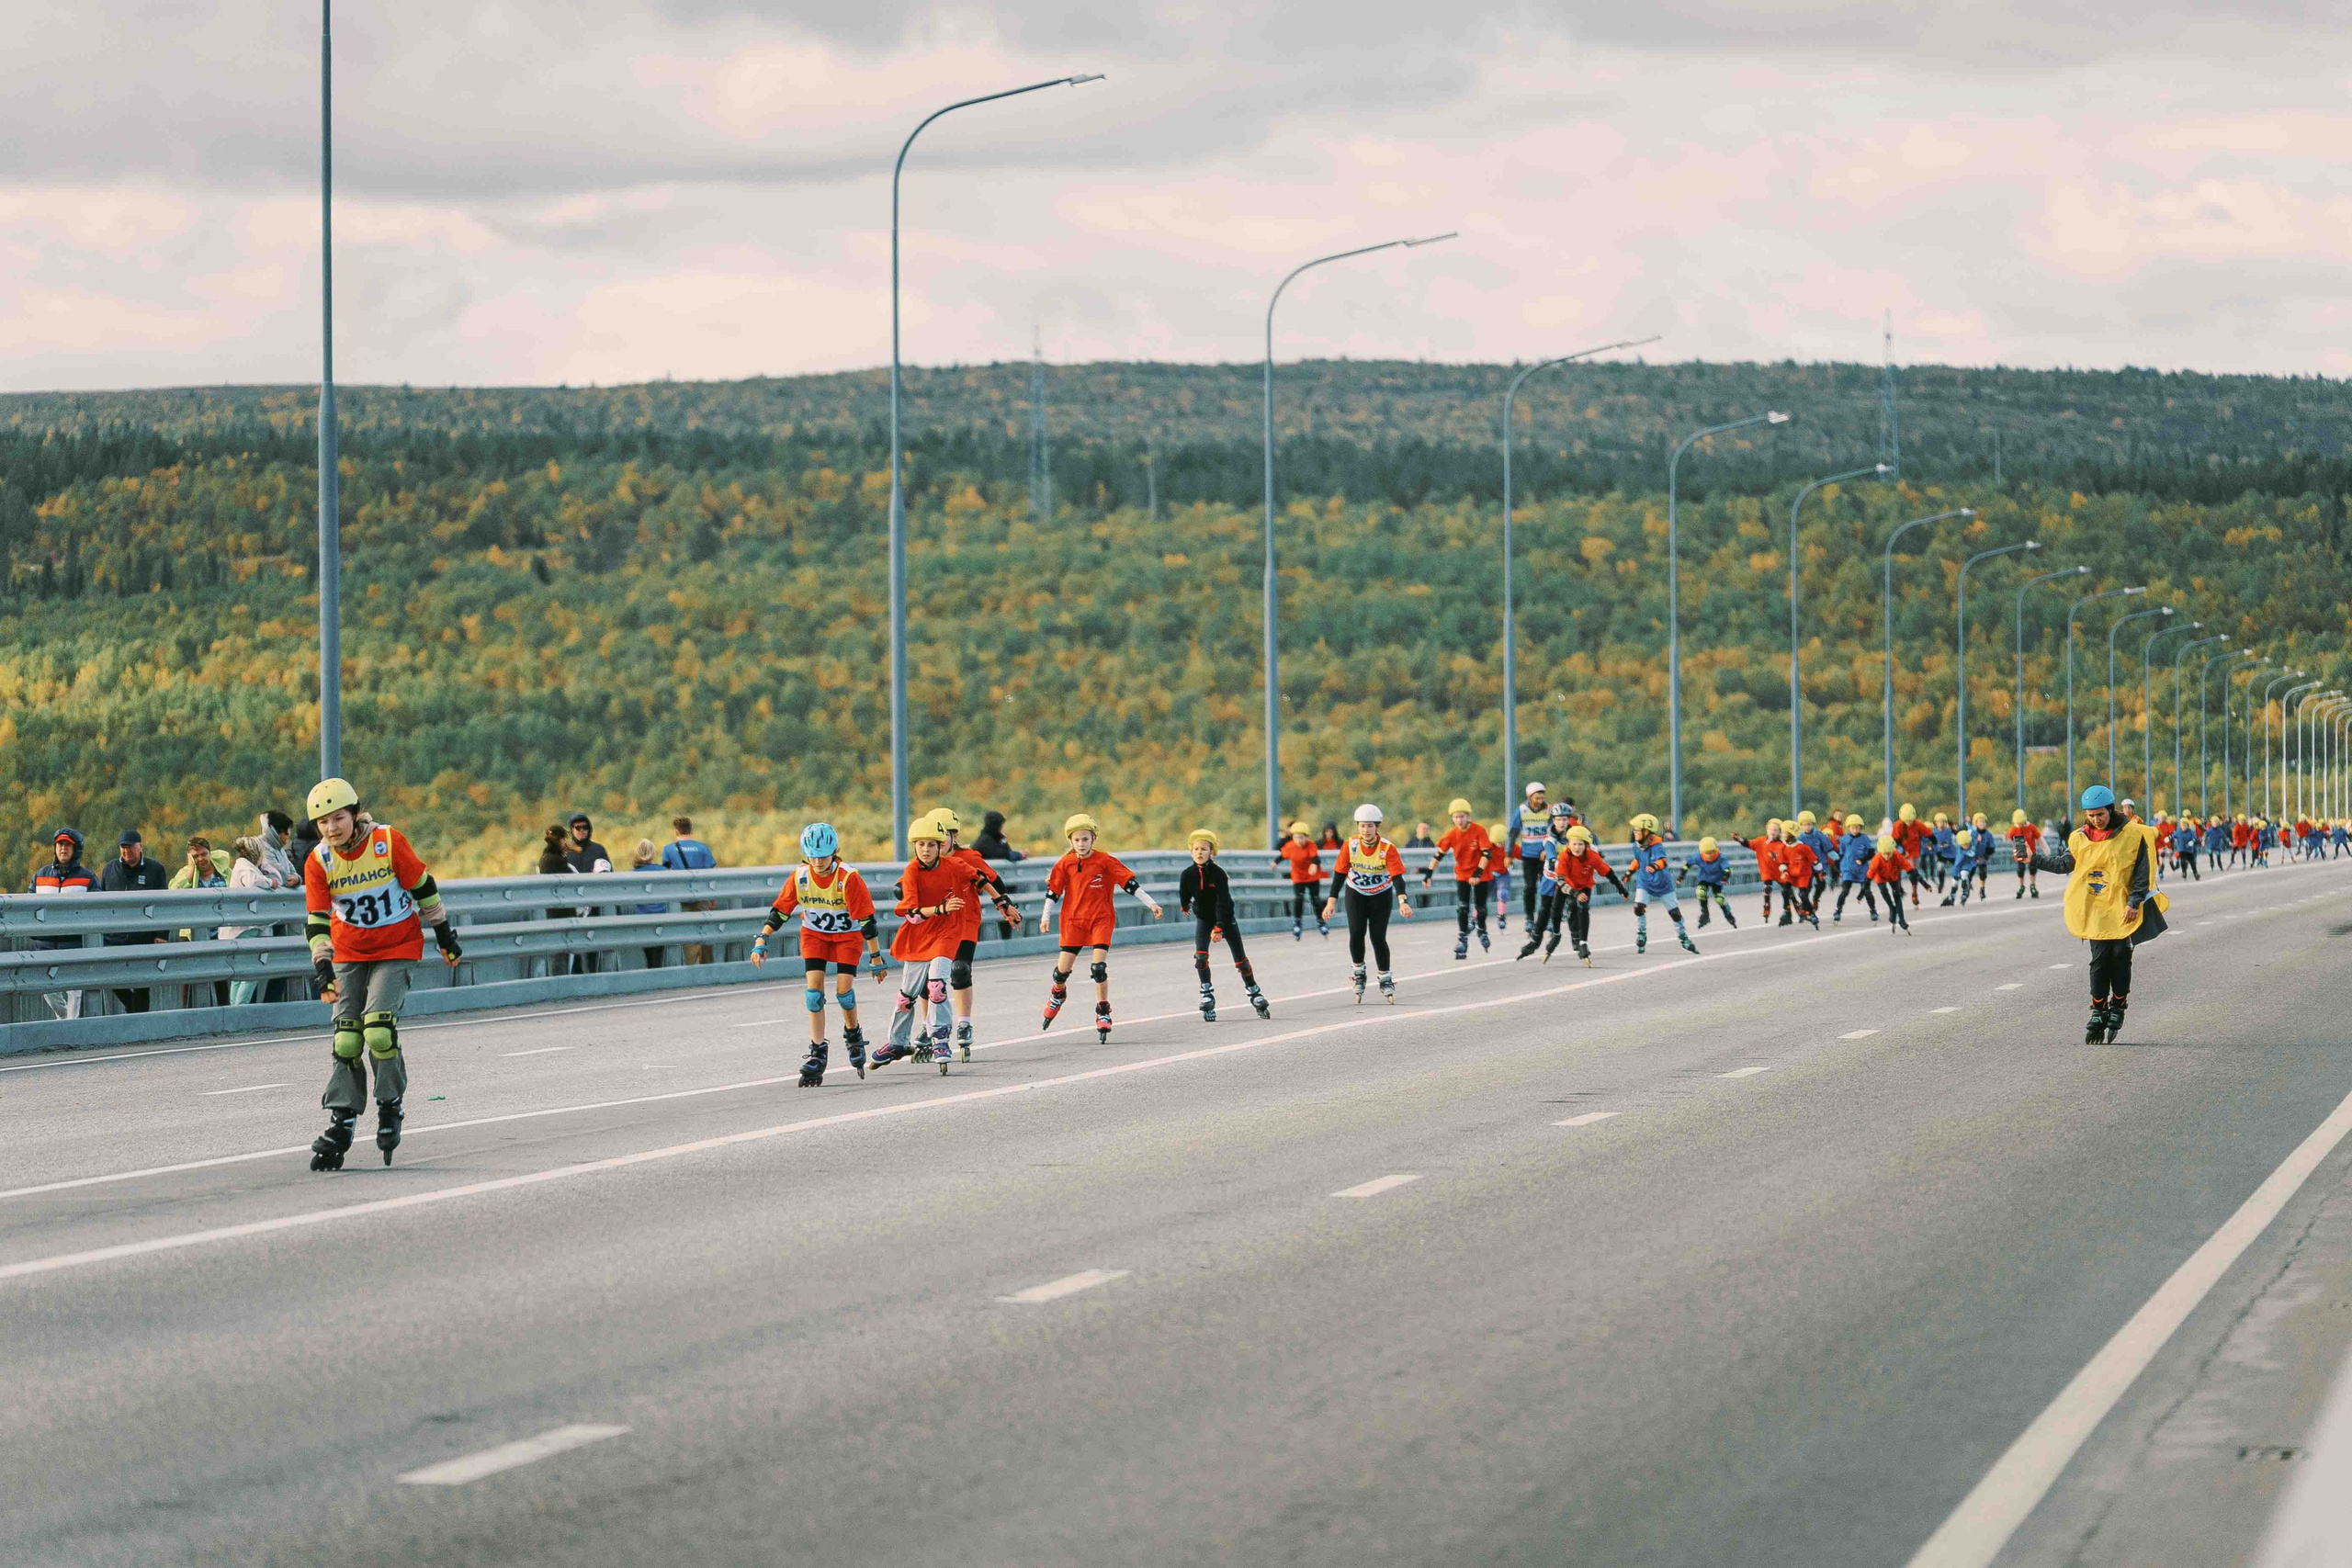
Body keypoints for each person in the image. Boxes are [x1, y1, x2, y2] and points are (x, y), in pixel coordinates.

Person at [301, 777, 463, 1170]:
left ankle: (389, 1105)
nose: (331, 829)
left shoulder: (387, 842)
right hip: (349, 951)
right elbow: (317, 919)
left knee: (377, 1030)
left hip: (397, 946)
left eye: (338, 818)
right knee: (345, 1039)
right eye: (322, 822)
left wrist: (444, 934)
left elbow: (424, 887)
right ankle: (343, 1119)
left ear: (354, 814)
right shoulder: (319, 860)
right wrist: (322, 965)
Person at [2022, 784, 2167, 1044]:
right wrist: (2034, 859)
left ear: (2110, 810)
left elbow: (2142, 874)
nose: (2095, 820)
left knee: (2121, 957)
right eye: (2090, 816)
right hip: (2096, 908)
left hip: (2124, 908)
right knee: (2099, 960)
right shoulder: (2079, 838)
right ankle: (2098, 1010)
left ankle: (2118, 1004)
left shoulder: (2134, 835)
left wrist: (2134, 903)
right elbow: (2064, 864)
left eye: (2100, 814)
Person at [753, 821, 887, 1087]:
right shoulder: (800, 876)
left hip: (846, 938)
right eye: (813, 855)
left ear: (835, 851)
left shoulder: (849, 878)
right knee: (814, 995)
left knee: (843, 993)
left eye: (824, 855)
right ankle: (817, 1050)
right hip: (815, 936)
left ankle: (852, 1033)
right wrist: (762, 938)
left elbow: (867, 922)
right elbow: (781, 910)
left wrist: (875, 958)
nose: (818, 861)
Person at [1039, 813, 1163, 1042]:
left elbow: (1129, 884)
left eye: (1085, 839)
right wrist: (1045, 917)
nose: (1081, 844)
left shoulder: (1105, 860)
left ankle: (1103, 1010)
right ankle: (1058, 993)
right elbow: (1053, 892)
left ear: (1093, 839)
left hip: (1100, 919)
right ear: (1071, 842)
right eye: (1077, 840)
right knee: (1060, 973)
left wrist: (1151, 903)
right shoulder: (1065, 864)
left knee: (1098, 968)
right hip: (1073, 921)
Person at [876, 818, 975, 1072]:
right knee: (905, 998)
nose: (926, 849)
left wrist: (1004, 902)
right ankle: (897, 1042)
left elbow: (982, 878)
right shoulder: (912, 871)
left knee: (936, 987)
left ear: (940, 846)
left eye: (932, 844)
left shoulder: (953, 865)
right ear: (914, 847)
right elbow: (911, 912)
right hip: (919, 936)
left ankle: (940, 1038)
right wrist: (941, 907)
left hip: (946, 934)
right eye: (921, 844)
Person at [927, 806, 1024, 1060]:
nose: (938, 843)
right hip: (936, 925)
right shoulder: (925, 862)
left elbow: (994, 880)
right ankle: (928, 1029)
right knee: (931, 981)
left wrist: (1007, 906)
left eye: (944, 836)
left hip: (965, 922)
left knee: (960, 971)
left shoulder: (969, 857)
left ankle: (964, 1023)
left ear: (954, 837)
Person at [1324, 804, 1412, 1001]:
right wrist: (1331, 902)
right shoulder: (1350, 845)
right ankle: (1358, 972)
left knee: (1378, 937)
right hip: (1356, 893)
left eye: (1370, 826)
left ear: (1377, 827)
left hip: (1381, 894)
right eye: (1362, 826)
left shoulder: (1387, 848)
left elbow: (1398, 877)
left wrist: (1403, 901)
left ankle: (1385, 976)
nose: (1366, 830)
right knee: (1356, 932)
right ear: (1358, 827)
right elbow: (1339, 874)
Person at [1179, 829, 1269, 1022]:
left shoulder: (1218, 874)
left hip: (1225, 919)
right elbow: (1184, 892)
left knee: (1241, 961)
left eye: (1204, 849)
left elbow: (1224, 902)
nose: (1199, 852)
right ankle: (1206, 993)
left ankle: (1254, 991)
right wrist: (1184, 904)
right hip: (1204, 919)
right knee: (1200, 957)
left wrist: (1219, 927)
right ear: (1191, 851)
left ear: (1212, 852)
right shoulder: (1187, 874)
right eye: (1196, 849)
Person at [1523, 824, 1626, 964]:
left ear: (1586, 845)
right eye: (1574, 844)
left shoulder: (1592, 856)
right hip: (1566, 885)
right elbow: (1560, 881)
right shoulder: (1564, 856)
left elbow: (1608, 873)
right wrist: (1574, 892)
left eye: (1580, 844)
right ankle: (1556, 935)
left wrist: (1621, 888)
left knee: (1582, 908)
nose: (1577, 848)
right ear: (1568, 844)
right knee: (1556, 909)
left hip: (1584, 886)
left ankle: (1582, 942)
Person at [98, 829, 171, 1013]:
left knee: (142, 983)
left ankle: (140, 1021)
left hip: (143, 936)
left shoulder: (155, 869)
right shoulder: (110, 869)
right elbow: (100, 903)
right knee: (109, 975)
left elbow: (163, 904)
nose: (126, 851)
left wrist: (162, 934)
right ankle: (133, 1008)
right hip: (114, 937)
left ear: (140, 846)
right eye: (123, 847)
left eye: (130, 847)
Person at [29, 828, 98, 1019]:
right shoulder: (40, 876)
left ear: (76, 850)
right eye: (60, 844)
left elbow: (98, 910)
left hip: (74, 944)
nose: (63, 849)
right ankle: (63, 1021)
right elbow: (27, 908)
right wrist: (35, 934)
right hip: (46, 945)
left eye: (68, 845)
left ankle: (71, 1031)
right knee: (47, 990)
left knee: (75, 992)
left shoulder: (88, 878)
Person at [1419, 798, 1498, 959]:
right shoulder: (1451, 834)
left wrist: (1477, 873)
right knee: (1462, 906)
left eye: (1462, 817)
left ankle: (1481, 928)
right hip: (1462, 873)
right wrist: (1428, 873)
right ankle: (1463, 938)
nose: (1459, 820)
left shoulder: (1479, 830)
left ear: (1468, 816)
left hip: (1481, 873)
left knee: (1480, 906)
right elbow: (1438, 855)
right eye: (1456, 817)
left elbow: (1487, 854)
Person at [170, 838, 234, 1008]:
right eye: (196, 856)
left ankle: (224, 1010)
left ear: (210, 853)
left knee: (221, 975)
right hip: (192, 934)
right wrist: (190, 872)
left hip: (220, 933)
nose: (201, 859)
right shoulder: (186, 874)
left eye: (204, 854)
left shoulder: (224, 873)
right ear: (190, 857)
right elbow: (172, 891)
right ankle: (187, 1012)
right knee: (189, 977)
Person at [1622, 813, 1699, 955]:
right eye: (1635, 830)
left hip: (1663, 884)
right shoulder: (1636, 846)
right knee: (1638, 907)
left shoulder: (1657, 846)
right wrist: (1629, 873)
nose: (1635, 832)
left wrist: (1655, 866)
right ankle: (1641, 933)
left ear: (1647, 831)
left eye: (1638, 830)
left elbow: (1662, 861)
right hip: (1645, 882)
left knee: (1674, 913)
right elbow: (1637, 860)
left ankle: (1683, 937)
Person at [660, 814, 720, 963]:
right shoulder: (702, 849)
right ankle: (707, 965)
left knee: (687, 930)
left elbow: (665, 874)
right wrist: (712, 897)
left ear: (676, 830)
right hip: (701, 894)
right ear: (691, 830)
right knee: (704, 929)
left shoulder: (668, 849)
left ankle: (691, 964)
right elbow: (710, 875)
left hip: (679, 896)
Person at [223, 837, 274, 1007]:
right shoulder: (246, 867)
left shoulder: (243, 866)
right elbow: (253, 882)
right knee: (251, 971)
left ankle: (235, 1009)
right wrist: (270, 882)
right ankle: (240, 1009)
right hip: (247, 927)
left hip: (241, 927)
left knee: (240, 974)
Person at [562, 811, 615, 974]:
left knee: (592, 947)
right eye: (577, 827)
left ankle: (594, 976)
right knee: (573, 948)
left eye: (585, 827)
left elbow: (610, 873)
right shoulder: (565, 852)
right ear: (571, 829)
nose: (581, 830)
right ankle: (573, 978)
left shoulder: (598, 850)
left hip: (594, 906)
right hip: (572, 907)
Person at [1507, 782, 1557, 931]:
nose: (1540, 801)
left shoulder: (1549, 811)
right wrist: (1508, 854)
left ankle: (1545, 917)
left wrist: (1547, 849)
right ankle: (1529, 918)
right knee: (1530, 888)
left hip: (1545, 856)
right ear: (1529, 797)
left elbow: (1554, 831)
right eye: (1537, 798)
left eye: (1542, 798)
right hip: (1528, 856)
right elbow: (1513, 833)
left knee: (1546, 887)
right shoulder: (1521, 811)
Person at [974, 809, 1023, 941]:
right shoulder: (985, 841)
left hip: (993, 885)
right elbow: (1005, 854)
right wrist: (1019, 855)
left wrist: (1003, 840)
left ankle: (1006, 939)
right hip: (983, 887)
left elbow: (1006, 851)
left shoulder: (994, 839)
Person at [1677, 835, 1738, 931]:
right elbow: (1687, 865)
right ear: (1702, 852)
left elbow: (1727, 870)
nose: (1709, 855)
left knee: (1719, 899)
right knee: (1700, 892)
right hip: (1704, 878)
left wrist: (1725, 878)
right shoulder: (1698, 856)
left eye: (1711, 852)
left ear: (1716, 850)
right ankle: (1705, 914)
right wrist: (1681, 876)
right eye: (1706, 853)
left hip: (1717, 880)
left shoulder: (1721, 858)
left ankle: (1728, 915)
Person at [1280, 820, 1328, 940]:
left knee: (1315, 899)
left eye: (1302, 838)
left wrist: (1314, 864)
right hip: (1299, 878)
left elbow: (1316, 858)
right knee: (1299, 898)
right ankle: (1297, 922)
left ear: (1307, 837)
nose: (1299, 840)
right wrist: (1274, 862)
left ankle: (1321, 922)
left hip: (1312, 877)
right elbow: (1282, 854)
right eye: (1296, 837)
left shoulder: (1311, 845)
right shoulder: (1290, 846)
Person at [1833, 814, 1878, 922]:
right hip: (1848, 868)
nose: (1855, 829)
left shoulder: (1865, 839)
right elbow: (1840, 855)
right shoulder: (1844, 839)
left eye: (1857, 827)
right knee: (1845, 890)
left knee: (1866, 891)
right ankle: (1838, 910)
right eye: (1853, 827)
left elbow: (1871, 854)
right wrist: (1839, 869)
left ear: (1860, 828)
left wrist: (1863, 859)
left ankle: (1873, 911)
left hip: (1862, 869)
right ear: (1849, 828)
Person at [1866, 833, 1914, 934]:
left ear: (1893, 851)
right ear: (1880, 852)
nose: (1887, 856)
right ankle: (1891, 908)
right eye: (1884, 854)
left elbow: (1908, 867)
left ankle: (1902, 920)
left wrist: (1914, 875)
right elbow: (1869, 876)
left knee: (1897, 896)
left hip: (1893, 875)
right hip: (1881, 877)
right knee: (1884, 891)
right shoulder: (1876, 859)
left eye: (1889, 853)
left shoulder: (1897, 855)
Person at [1748, 819, 1788, 925]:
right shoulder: (1762, 841)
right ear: (1767, 830)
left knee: (1787, 889)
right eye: (1771, 829)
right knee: (1767, 887)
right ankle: (1766, 905)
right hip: (1768, 871)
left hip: (1780, 870)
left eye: (1775, 830)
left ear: (1780, 832)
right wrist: (1739, 839)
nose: (1773, 832)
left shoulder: (1782, 844)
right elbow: (1749, 844)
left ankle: (1790, 908)